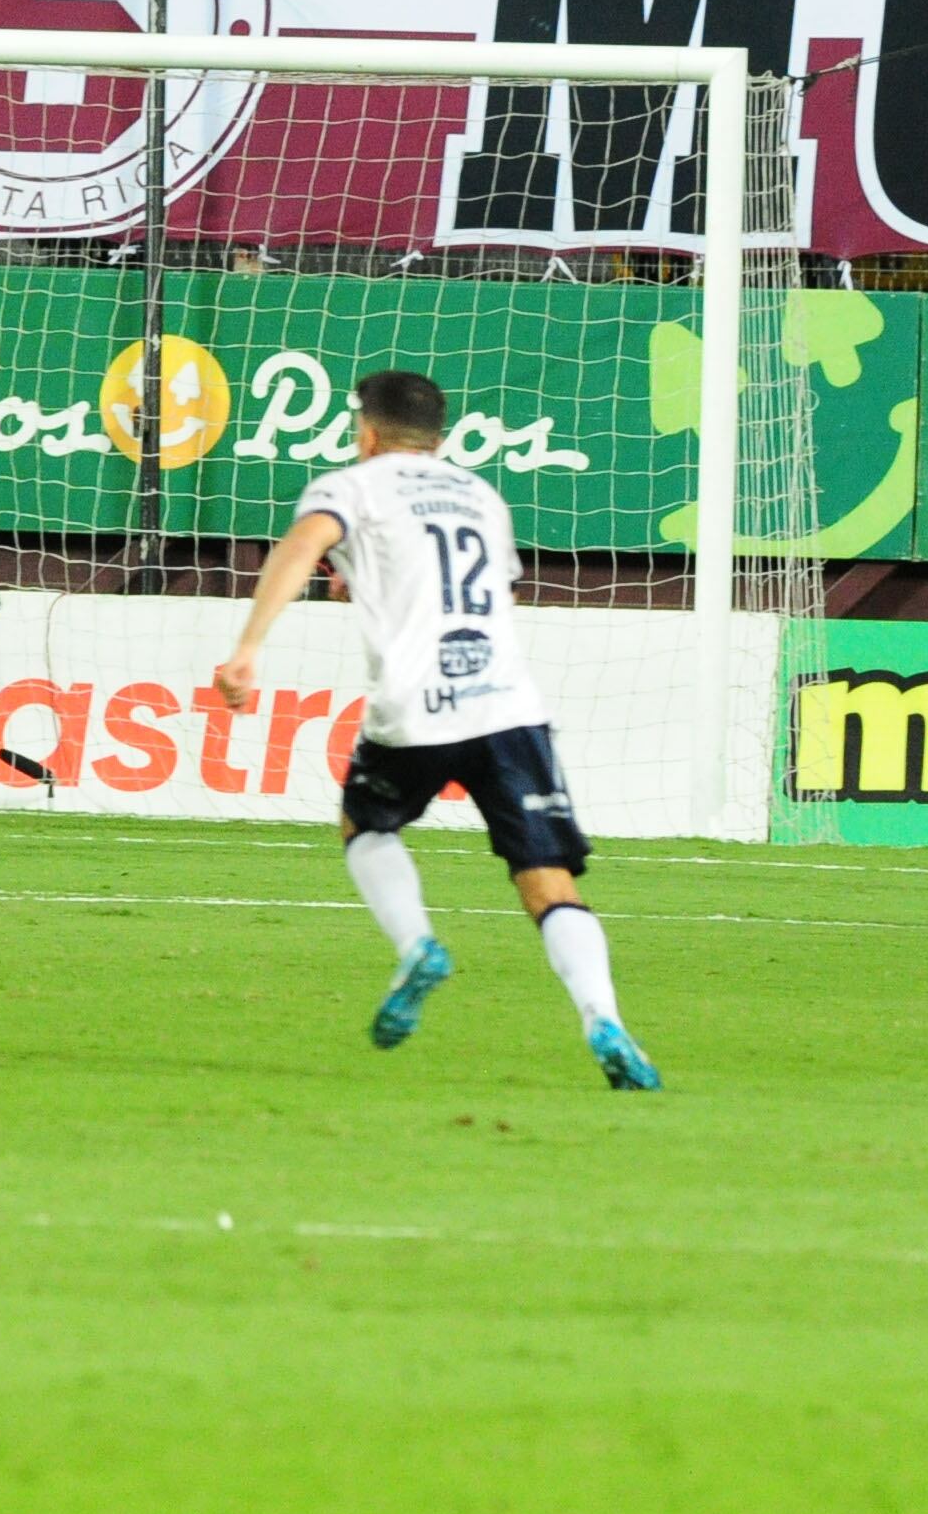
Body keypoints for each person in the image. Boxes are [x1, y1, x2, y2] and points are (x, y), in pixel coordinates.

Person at [210, 367, 661, 1090]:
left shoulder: (353, 486)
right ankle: (603, 1020)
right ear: (441, 438)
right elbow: (482, 589)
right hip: (509, 705)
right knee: (546, 882)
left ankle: (418, 944)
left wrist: (248, 648)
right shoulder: (480, 493)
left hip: (418, 704)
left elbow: (299, 547)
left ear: (366, 432)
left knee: (367, 824)